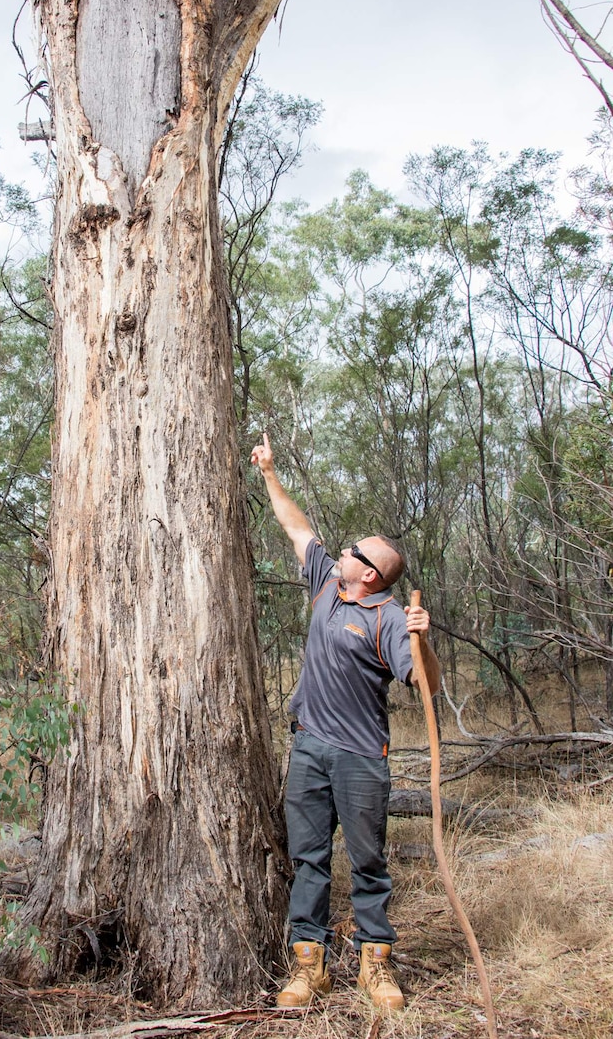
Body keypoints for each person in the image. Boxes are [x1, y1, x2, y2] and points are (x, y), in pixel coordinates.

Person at [251, 432, 440, 1012]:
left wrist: (423, 640)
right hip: (308, 748)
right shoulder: (327, 588)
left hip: (362, 759)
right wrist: (268, 472)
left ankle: (374, 965)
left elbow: (428, 687)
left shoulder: (387, 619)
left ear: (371, 576)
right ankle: (310, 967)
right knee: (308, 859)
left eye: (356, 552)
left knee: (367, 863)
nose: (345, 552)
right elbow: (295, 526)